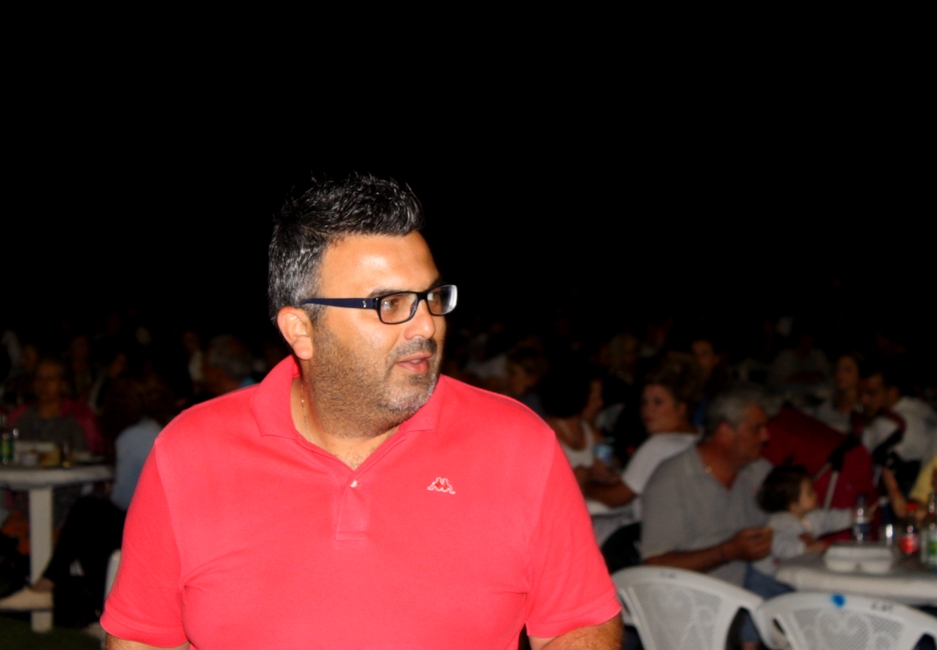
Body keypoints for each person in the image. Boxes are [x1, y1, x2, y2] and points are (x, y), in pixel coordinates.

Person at [102, 175, 621, 649]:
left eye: (431, 297)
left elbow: (579, 621)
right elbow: (142, 637)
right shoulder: (191, 452)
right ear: (301, 330)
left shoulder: (516, 444)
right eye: (389, 304)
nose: (426, 326)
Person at [640, 387, 773, 650]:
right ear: (725, 432)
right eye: (756, 429)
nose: (765, 437)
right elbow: (656, 564)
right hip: (694, 613)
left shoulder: (757, 472)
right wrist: (728, 551)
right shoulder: (673, 479)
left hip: (750, 601)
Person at [749, 465, 852, 596]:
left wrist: (853, 516)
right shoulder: (780, 522)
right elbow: (780, 545)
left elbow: (830, 519)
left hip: (785, 575)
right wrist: (804, 549)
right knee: (761, 606)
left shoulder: (811, 517)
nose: (815, 495)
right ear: (793, 503)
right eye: (809, 493)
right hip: (765, 578)